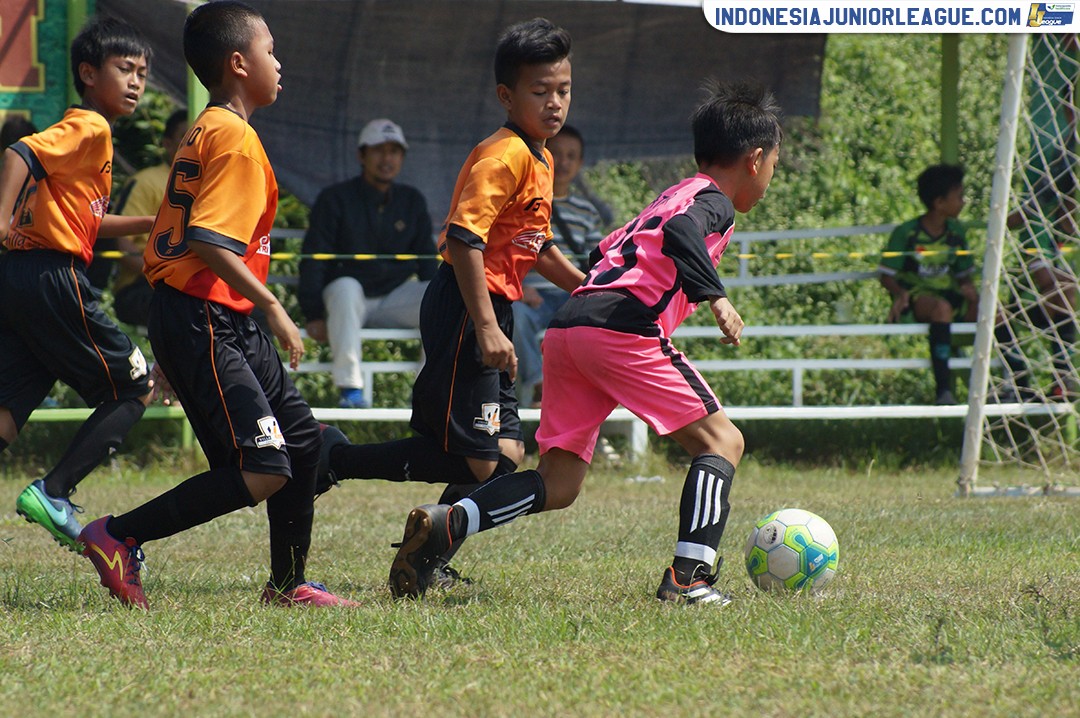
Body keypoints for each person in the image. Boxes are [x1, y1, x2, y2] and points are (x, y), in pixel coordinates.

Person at [385, 80, 781, 607]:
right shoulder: (711, 203)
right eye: (775, 164)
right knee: (722, 442)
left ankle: (451, 522)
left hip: (572, 327)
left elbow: (603, 253)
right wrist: (716, 296)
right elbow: (683, 234)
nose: (770, 176)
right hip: (622, 329)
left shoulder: (672, 193)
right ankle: (690, 579)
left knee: (560, 481)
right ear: (754, 159)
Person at [76, 0, 355, 609]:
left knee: (301, 442)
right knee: (264, 466)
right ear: (237, 63)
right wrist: (275, 308)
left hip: (213, 316)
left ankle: (288, 585)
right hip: (206, 315)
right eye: (271, 50)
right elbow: (208, 239)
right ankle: (118, 536)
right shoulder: (235, 138)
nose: (279, 64)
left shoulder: (208, 127)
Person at [317, 17, 583, 584]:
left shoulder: (541, 157)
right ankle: (334, 458)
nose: (555, 102)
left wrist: (589, 287)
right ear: (507, 95)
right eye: (541, 91)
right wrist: (487, 328)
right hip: (467, 306)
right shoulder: (502, 154)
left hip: (494, 308)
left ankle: (422, 558)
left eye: (563, 89)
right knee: (481, 459)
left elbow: (536, 246)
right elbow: (465, 239)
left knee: (506, 453)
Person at [1, 17, 156, 553]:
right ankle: (55, 492)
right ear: (88, 73)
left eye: (142, 73)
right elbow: (18, 152)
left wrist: (147, 224)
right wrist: (0, 218)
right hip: (52, 274)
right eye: (124, 69)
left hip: (20, 278)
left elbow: (86, 223)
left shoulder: (96, 140)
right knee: (134, 386)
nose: (136, 82)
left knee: (7, 408)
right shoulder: (91, 127)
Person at [298, 119, 436, 409]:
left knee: (441, 297)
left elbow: (427, 260)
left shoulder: (411, 201)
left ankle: (431, 393)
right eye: (378, 150)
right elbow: (314, 258)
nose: (387, 159)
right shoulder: (335, 199)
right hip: (347, 303)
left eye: (394, 151)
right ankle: (350, 389)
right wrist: (313, 313)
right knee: (347, 288)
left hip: (393, 301)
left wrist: (435, 289)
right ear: (362, 156)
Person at [512, 124, 605, 406]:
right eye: (557, 154)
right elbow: (508, 253)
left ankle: (594, 399)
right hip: (530, 297)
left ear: (580, 163)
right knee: (514, 316)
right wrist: (519, 288)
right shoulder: (524, 204)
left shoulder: (587, 211)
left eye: (571, 156)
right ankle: (540, 387)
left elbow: (597, 262)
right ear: (544, 156)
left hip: (572, 295)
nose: (563, 162)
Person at [879, 164, 978, 405]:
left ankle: (1018, 383)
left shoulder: (956, 232)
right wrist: (900, 293)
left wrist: (971, 293)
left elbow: (963, 274)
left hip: (950, 294)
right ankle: (943, 390)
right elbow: (886, 274)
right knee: (941, 308)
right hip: (918, 296)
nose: (964, 202)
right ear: (939, 202)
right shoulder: (908, 233)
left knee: (997, 314)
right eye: (959, 196)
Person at [109, 108, 190, 327]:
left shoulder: (210, 185)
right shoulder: (146, 182)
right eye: (186, 137)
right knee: (187, 308)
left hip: (191, 286)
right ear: (167, 143)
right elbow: (122, 242)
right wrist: (163, 276)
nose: (195, 145)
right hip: (141, 286)